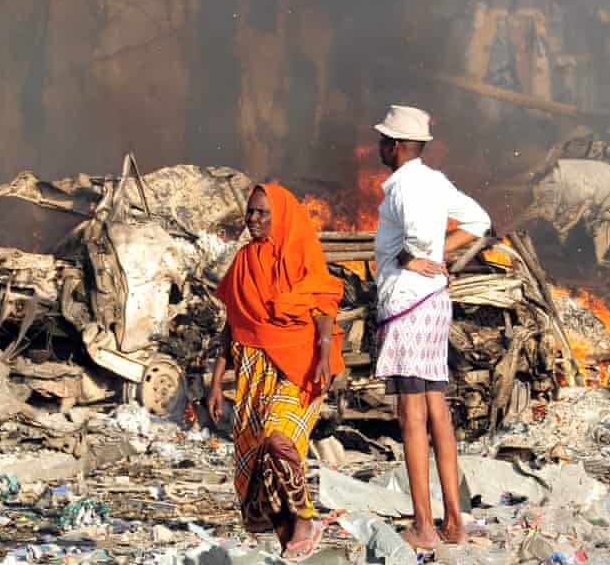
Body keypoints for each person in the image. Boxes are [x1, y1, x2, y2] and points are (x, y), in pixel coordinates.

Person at [370, 104, 491, 549]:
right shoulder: (436, 181)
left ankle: (423, 525)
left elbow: (415, 239)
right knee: (436, 410)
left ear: (398, 146)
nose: (379, 146)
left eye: (384, 140)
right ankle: (454, 522)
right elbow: (479, 221)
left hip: (409, 304)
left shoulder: (404, 187)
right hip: (433, 304)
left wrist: (412, 256)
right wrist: (441, 256)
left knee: (411, 414)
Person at [208, 183, 345, 560]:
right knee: (256, 459)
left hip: (297, 367)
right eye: (250, 212)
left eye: (262, 213)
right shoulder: (242, 262)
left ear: (280, 215)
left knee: (279, 440)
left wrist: (323, 353)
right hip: (252, 371)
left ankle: (304, 520)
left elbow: (323, 307)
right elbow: (231, 326)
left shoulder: (300, 253)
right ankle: (290, 536)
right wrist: (217, 382)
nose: (253, 220)